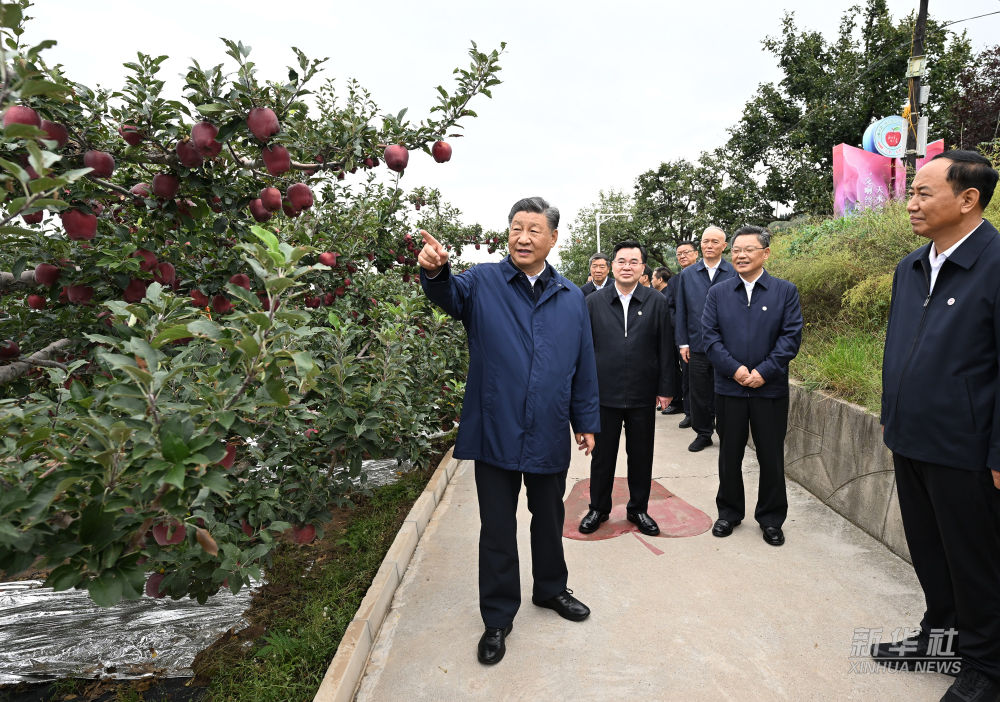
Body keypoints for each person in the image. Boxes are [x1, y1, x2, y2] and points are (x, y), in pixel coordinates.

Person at [418, 196, 599, 666]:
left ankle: (551, 590)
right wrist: (437, 271)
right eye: (516, 227)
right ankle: (498, 617)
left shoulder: (571, 296)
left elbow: (583, 365)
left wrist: (586, 421)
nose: (522, 237)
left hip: (548, 427)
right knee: (497, 527)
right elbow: (447, 296)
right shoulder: (483, 281)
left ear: (553, 238)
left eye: (533, 229)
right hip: (494, 427)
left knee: (547, 517)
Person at [874, 150, 1000, 701]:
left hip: (966, 447)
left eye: (924, 193)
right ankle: (940, 637)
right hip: (911, 437)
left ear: (968, 198)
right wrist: (890, 417)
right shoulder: (911, 266)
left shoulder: (996, 264)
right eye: (911, 193)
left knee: (976, 561)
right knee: (930, 550)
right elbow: (897, 349)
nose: (912, 203)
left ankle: (986, 667)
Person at [701, 225, 802, 547]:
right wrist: (736, 370)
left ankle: (771, 519)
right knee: (728, 454)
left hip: (769, 390)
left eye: (748, 250)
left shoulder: (785, 291)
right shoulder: (718, 293)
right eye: (737, 251)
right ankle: (729, 513)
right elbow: (710, 337)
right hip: (729, 389)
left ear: (766, 253)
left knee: (771, 455)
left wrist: (764, 371)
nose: (741, 255)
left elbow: (790, 338)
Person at [579, 241, 675, 536]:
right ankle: (599, 508)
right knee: (602, 456)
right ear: (612, 265)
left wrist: (666, 388)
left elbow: (666, 347)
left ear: (643, 268)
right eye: (621, 261)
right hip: (603, 394)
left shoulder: (656, 301)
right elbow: (582, 350)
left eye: (634, 262)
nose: (627, 266)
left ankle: (638, 509)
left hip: (641, 393)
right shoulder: (592, 303)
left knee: (641, 454)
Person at [673, 227, 735, 451]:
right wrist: (683, 342)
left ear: (724, 246)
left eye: (715, 242)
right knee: (699, 392)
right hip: (697, 345)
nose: (709, 245)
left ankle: (726, 433)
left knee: (725, 391)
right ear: (700, 245)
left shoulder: (733, 271)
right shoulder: (688, 274)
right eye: (705, 241)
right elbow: (682, 310)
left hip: (727, 346)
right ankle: (703, 433)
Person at [671, 241, 699, 424]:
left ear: (696, 253)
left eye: (686, 252)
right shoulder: (675, 280)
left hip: (712, 336)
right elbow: (672, 308)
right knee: (689, 377)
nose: (682, 256)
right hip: (687, 338)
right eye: (679, 253)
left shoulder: (709, 275)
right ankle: (690, 413)